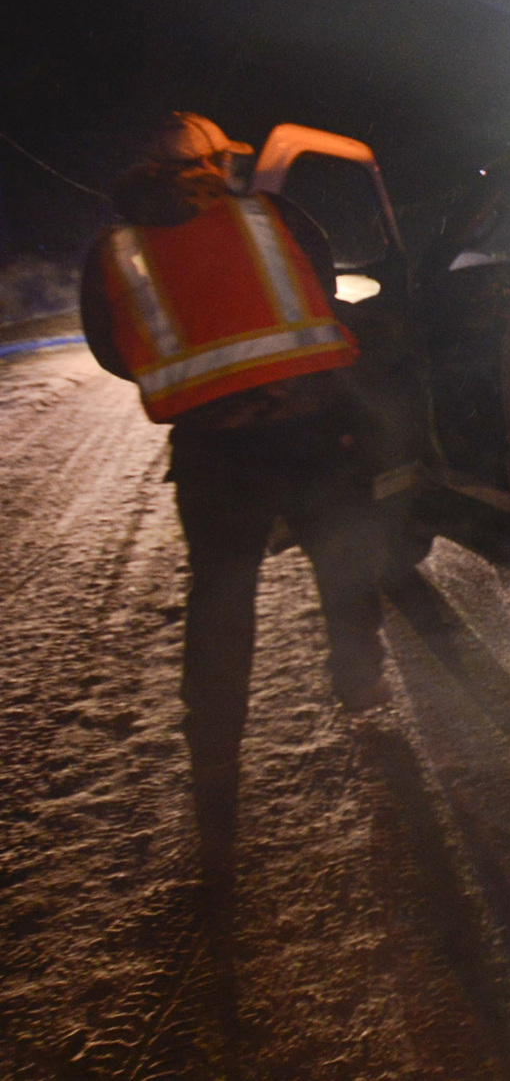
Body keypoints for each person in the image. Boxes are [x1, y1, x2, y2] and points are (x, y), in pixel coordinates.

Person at [79, 113, 391, 873]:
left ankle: (215, 754)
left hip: (214, 450)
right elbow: (320, 295)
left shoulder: (114, 250)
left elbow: (113, 350)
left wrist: (202, 376)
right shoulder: (274, 216)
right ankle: (359, 685)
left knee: (222, 598)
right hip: (311, 430)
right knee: (344, 562)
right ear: (218, 161)